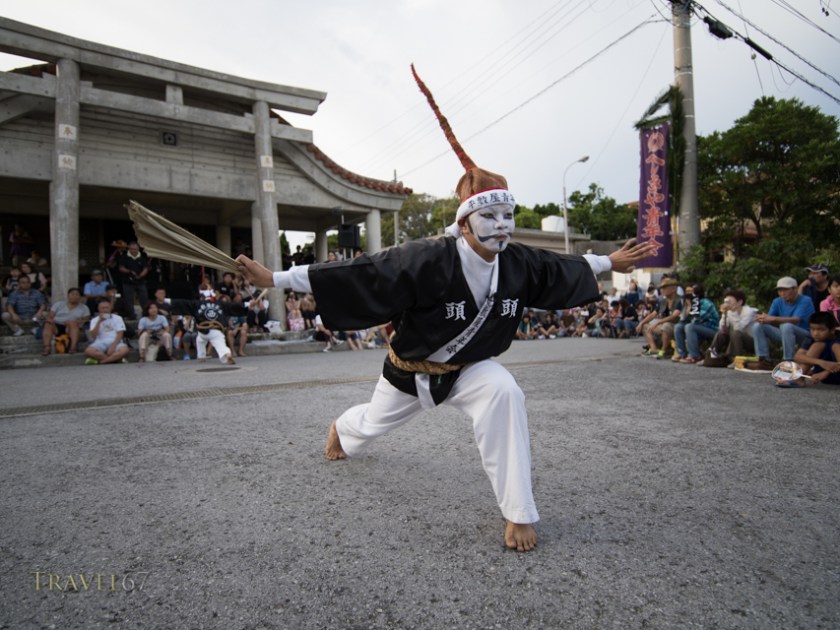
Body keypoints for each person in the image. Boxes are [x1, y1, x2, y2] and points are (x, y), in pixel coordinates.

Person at [235, 65, 651, 553]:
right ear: (465, 223)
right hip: (410, 370)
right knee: (370, 424)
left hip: (471, 368)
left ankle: (518, 511)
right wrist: (276, 278)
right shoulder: (427, 257)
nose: (502, 227)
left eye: (508, 216)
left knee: (504, 393)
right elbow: (361, 272)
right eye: (489, 217)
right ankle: (340, 430)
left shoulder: (518, 262)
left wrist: (606, 262)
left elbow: (558, 268)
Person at [747, 276, 815, 372]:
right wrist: (762, 319)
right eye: (780, 290)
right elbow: (769, 320)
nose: (782, 293)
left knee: (787, 326)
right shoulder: (777, 301)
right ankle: (764, 360)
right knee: (758, 326)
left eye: (785, 290)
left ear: (795, 289)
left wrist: (773, 318)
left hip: (805, 335)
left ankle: (788, 361)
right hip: (785, 333)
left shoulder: (805, 300)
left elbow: (796, 319)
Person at [708, 288, 758, 365]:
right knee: (720, 334)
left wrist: (733, 313)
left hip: (752, 341)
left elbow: (739, 328)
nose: (727, 304)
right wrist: (724, 314)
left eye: (730, 301)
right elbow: (722, 328)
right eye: (726, 302)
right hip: (735, 338)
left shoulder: (749, 312)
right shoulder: (730, 312)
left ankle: (737, 360)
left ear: (740, 302)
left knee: (736, 333)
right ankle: (710, 357)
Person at [637, 277, 683, 358]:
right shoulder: (663, 301)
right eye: (661, 288)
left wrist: (658, 322)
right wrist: (641, 322)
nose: (661, 290)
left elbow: (674, 316)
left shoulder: (680, 300)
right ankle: (654, 349)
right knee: (645, 326)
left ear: (673, 289)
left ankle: (664, 350)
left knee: (666, 326)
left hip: (676, 325)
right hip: (664, 324)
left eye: (664, 288)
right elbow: (653, 314)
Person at [673, 284, 719, 364]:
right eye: (687, 292)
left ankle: (694, 356)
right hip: (699, 327)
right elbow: (683, 319)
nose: (688, 294)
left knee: (689, 327)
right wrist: (687, 308)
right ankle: (682, 353)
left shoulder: (705, 303)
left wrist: (690, 306)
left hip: (712, 329)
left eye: (691, 292)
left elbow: (697, 319)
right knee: (678, 327)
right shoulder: (688, 303)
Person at [793, 312, 840, 385]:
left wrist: (825, 373)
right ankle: (798, 378)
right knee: (817, 345)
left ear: (832, 330)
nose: (815, 333)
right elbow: (798, 356)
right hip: (825, 376)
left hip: (831, 373)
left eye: (821, 330)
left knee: (835, 346)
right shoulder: (812, 337)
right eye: (813, 329)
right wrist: (821, 362)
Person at [41, 287, 90, 355]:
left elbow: (86, 320)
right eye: (72, 294)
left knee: (72, 323)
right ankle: (47, 347)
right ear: (68, 296)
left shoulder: (84, 307)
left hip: (72, 327)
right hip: (57, 325)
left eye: (77, 294)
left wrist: (75, 322)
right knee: (47, 324)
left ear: (80, 297)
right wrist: (49, 320)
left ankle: (73, 347)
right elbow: (50, 316)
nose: (74, 296)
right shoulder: (59, 304)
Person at [84, 299, 130, 365]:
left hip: (115, 342)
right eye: (102, 308)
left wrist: (113, 347)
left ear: (110, 308)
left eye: (107, 308)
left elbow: (120, 334)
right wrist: (99, 322)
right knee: (89, 351)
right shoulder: (94, 320)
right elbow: (93, 335)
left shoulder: (117, 318)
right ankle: (114, 360)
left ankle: (102, 362)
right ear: (98, 309)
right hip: (100, 342)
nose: (105, 310)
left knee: (125, 350)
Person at [117, 241, 150, 313]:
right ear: (129, 249)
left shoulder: (142, 257)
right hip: (127, 282)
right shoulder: (124, 257)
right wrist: (129, 271)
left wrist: (141, 275)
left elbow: (146, 268)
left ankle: (146, 313)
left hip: (140, 281)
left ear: (138, 249)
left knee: (144, 298)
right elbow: (121, 268)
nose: (133, 251)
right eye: (131, 249)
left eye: (135, 249)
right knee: (128, 299)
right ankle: (132, 315)